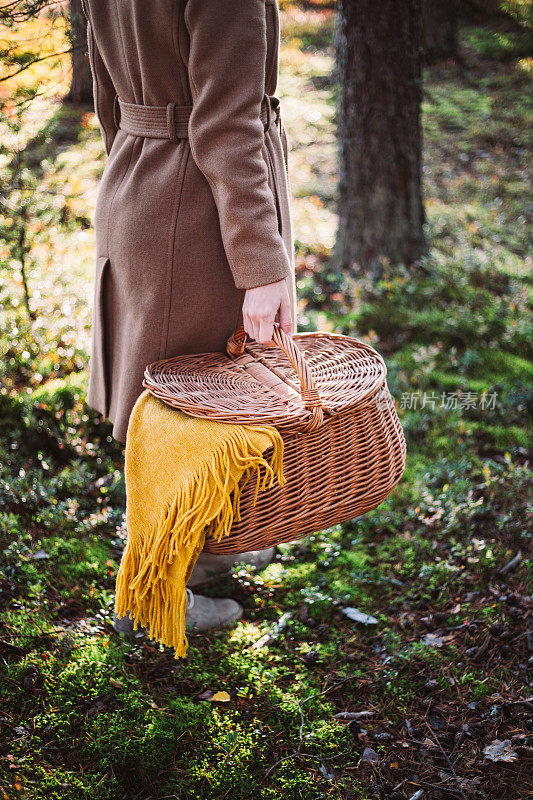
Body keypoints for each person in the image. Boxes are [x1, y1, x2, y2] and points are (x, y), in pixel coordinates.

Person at [82, 0, 296, 632]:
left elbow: (106, 94)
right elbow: (228, 126)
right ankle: (152, 602)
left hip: (140, 182)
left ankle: (197, 556)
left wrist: (135, 165)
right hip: (197, 214)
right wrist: (260, 264)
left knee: (177, 402)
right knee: (186, 414)